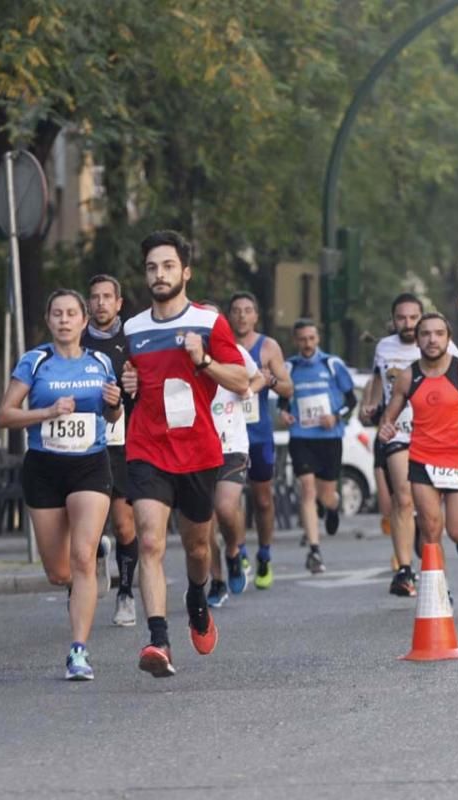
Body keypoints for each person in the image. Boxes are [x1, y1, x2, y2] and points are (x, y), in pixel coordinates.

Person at [119, 230, 247, 678]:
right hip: (148, 447)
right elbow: (124, 389)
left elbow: (241, 381)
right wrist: (123, 390)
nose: (160, 274)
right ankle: (158, 641)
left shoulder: (211, 325)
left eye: (168, 266)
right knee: (150, 540)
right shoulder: (131, 329)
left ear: (185, 272)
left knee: (197, 548)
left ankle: (197, 596)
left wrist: (203, 361)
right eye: (152, 267)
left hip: (197, 451)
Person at [0, 289, 122, 681]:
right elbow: (4, 415)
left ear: (85, 321)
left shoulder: (101, 361)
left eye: (72, 314)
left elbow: (114, 413)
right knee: (58, 571)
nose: (65, 320)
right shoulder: (35, 362)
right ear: (49, 320)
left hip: (90, 466)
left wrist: (116, 402)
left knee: (82, 558)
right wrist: (47, 411)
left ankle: (78, 652)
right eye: (57, 314)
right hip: (45, 468)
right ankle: (95, 554)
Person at [379, 313, 458, 581]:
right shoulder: (407, 376)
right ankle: (438, 589)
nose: (432, 339)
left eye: (438, 333)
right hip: (422, 458)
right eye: (425, 334)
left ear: (448, 338)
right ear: (417, 339)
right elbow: (389, 415)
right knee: (430, 527)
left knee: (457, 531)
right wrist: (386, 427)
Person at [361, 292, 458, 596]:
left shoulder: (442, 345)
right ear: (393, 321)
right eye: (401, 318)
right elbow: (379, 383)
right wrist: (373, 407)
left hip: (437, 435)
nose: (407, 323)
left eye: (413, 318)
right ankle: (404, 571)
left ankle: (437, 577)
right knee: (402, 498)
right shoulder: (383, 347)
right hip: (399, 432)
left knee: (433, 516)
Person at [198, 300, 264, 608]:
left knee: (225, 508)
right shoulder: (186, 356)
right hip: (196, 449)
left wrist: (249, 390)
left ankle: (234, 552)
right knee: (204, 522)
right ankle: (218, 580)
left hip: (232, 445)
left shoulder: (235, 353)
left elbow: (258, 376)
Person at [83, 274, 140, 626]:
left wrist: (138, 384)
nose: (101, 302)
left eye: (107, 297)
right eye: (95, 297)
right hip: (84, 442)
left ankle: (126, 593)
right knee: (85, 525)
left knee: (124, 524)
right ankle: (96, 556)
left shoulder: (132, 340)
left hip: (123, 442)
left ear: (118, 303)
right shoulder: (77, 338)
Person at [227, 292, 293, 589]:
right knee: (230, 500)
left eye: (248, 310)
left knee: (262, 499)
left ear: (256, 316)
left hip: (258, 435)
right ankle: (238, 550)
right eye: (237, 310)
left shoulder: (268, 347)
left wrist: (271, 381)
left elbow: (289, 390)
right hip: (227, 434)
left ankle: (264, 554)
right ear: (230, 316)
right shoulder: (220, 344)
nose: (242, 315)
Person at [280, 319, 356, 575]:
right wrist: (284, 414)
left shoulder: (332, 364)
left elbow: (351, 399)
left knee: (326, 495)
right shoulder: (289, 366)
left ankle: (332, 507)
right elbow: (283, 400)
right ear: (295, 341)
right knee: (308, 490)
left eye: (311, 338)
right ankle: (314, 549)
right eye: (302, 339)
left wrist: (336, 416)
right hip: (302, 437)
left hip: (329, 437)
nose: (307, 344)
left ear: (318, 339)